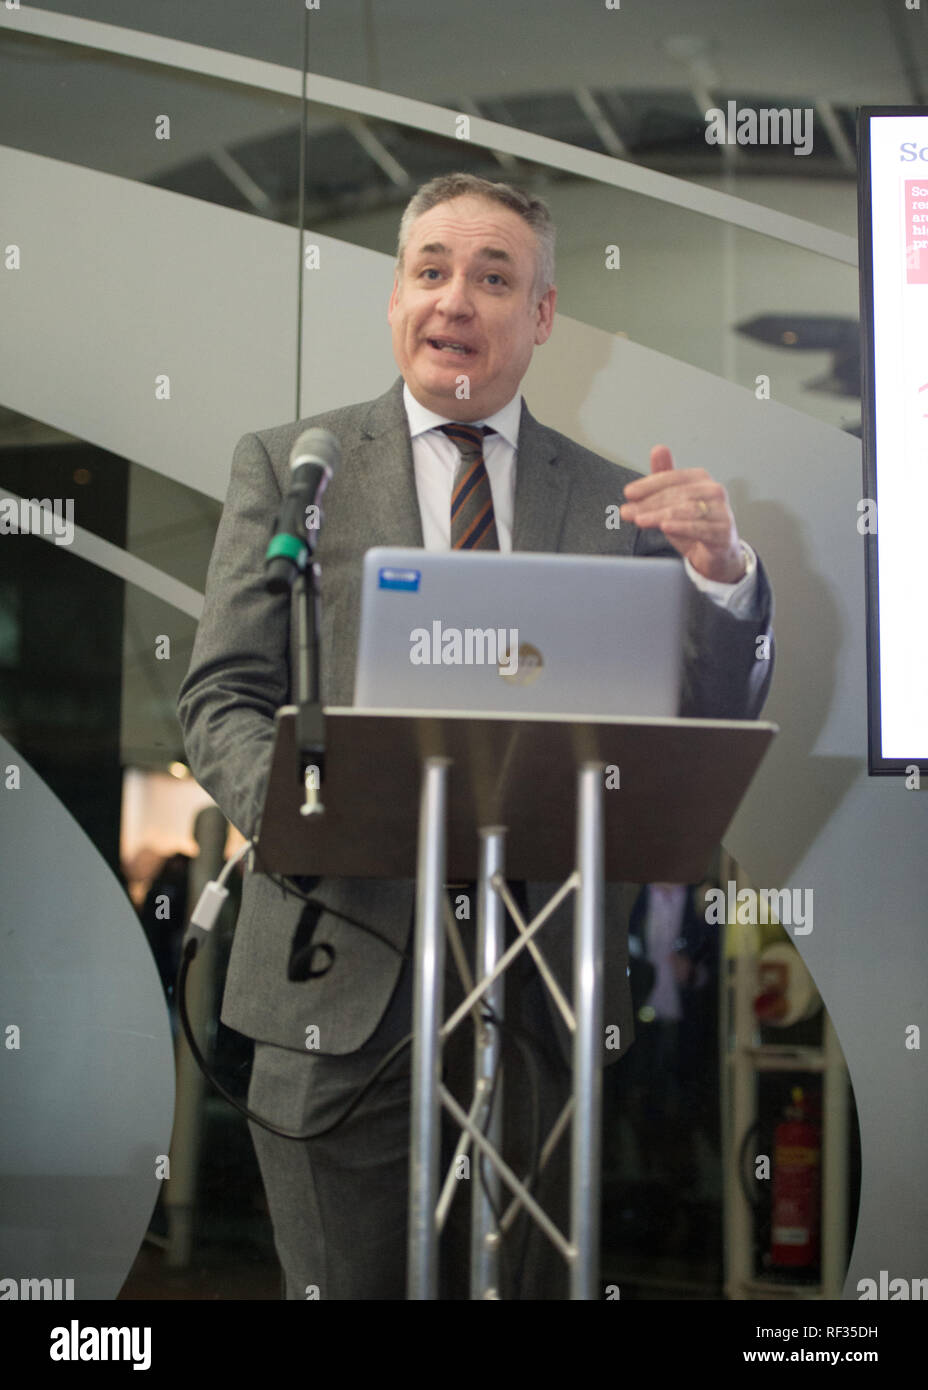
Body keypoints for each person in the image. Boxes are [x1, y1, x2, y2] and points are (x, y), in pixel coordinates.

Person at [177, 172, 774, 1300]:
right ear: (397, 293)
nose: (455, 298)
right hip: (333, 981)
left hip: (538, 993)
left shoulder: (615, 505)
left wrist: (725, 582)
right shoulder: (294, 468)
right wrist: (312, 813)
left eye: (494, 277)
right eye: (431, 269)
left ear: (542, 314)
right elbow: (221, 699)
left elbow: (700, 727)